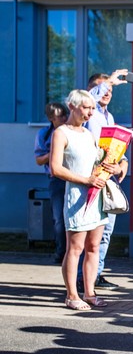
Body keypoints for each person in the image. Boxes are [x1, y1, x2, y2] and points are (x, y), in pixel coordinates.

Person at [50, 89, 113, 310]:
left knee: (94, 246)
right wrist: (85, 180)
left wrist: (111, 166)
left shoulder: (88, 134)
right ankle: (71, 295)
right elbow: (55, 168)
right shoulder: (61, 133)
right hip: (77, 197)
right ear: (72, 106)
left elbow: (97, 163)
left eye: (92, 108)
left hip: (95, 197)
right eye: (86, 107)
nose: (90, 112)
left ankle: (90, 292)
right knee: (75, 249)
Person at [76, 69, 129, 292]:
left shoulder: (110, 117)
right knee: (85, 235)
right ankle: (82, 279)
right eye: (103, 87)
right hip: (89, 180)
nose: (107, 91)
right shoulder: (89, 113)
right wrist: (111, 81)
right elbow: (90, 99)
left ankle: (96, 275)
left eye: (109, 89)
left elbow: (115, 148)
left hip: (107, 180)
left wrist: (122, 165)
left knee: (104, 232)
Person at [34, 102, 69, 264]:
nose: (64, 118)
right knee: (59, 217)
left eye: (65, 114)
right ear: (50, 118)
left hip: (73, 176)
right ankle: (61, 251)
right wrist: (54, 152)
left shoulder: (71, 131)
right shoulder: (44, 134)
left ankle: (72, 251)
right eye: (60, 116)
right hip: (56, 179)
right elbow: (39, 160)